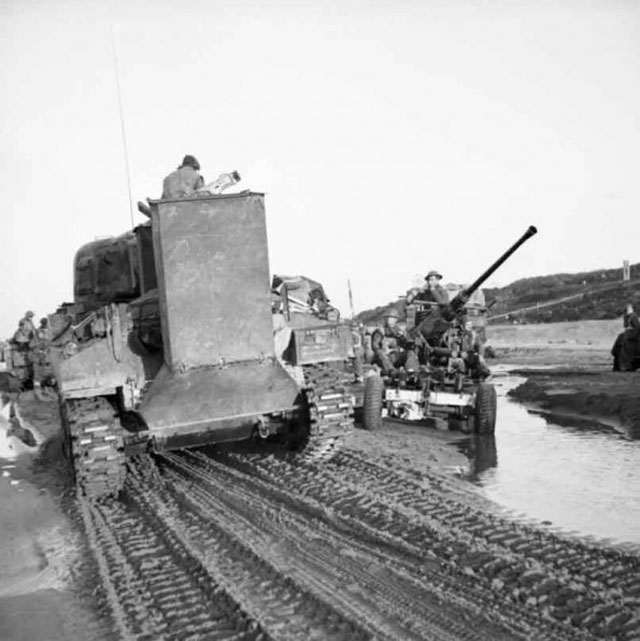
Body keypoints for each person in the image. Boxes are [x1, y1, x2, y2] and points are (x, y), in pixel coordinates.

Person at [371, 309, 417, 373]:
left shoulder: (399, 331)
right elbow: (375, 347)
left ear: (396, 319)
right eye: (387, 318)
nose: (389, 320)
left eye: (391, 318)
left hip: (396, 356)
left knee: (410, 353)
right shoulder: (380, 331)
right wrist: (382, 353)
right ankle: (392, 372)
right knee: (382, 356)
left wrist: (405, 340)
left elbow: (405, 345)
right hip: (385, 358)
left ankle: (411, 372)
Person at [612, 304, 640, 372]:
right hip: (632, 335)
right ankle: (625, 366)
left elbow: (630, 326)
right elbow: (637, 327)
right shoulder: (631, 316)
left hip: (629, 334)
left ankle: (622, 365)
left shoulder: (629, 317)